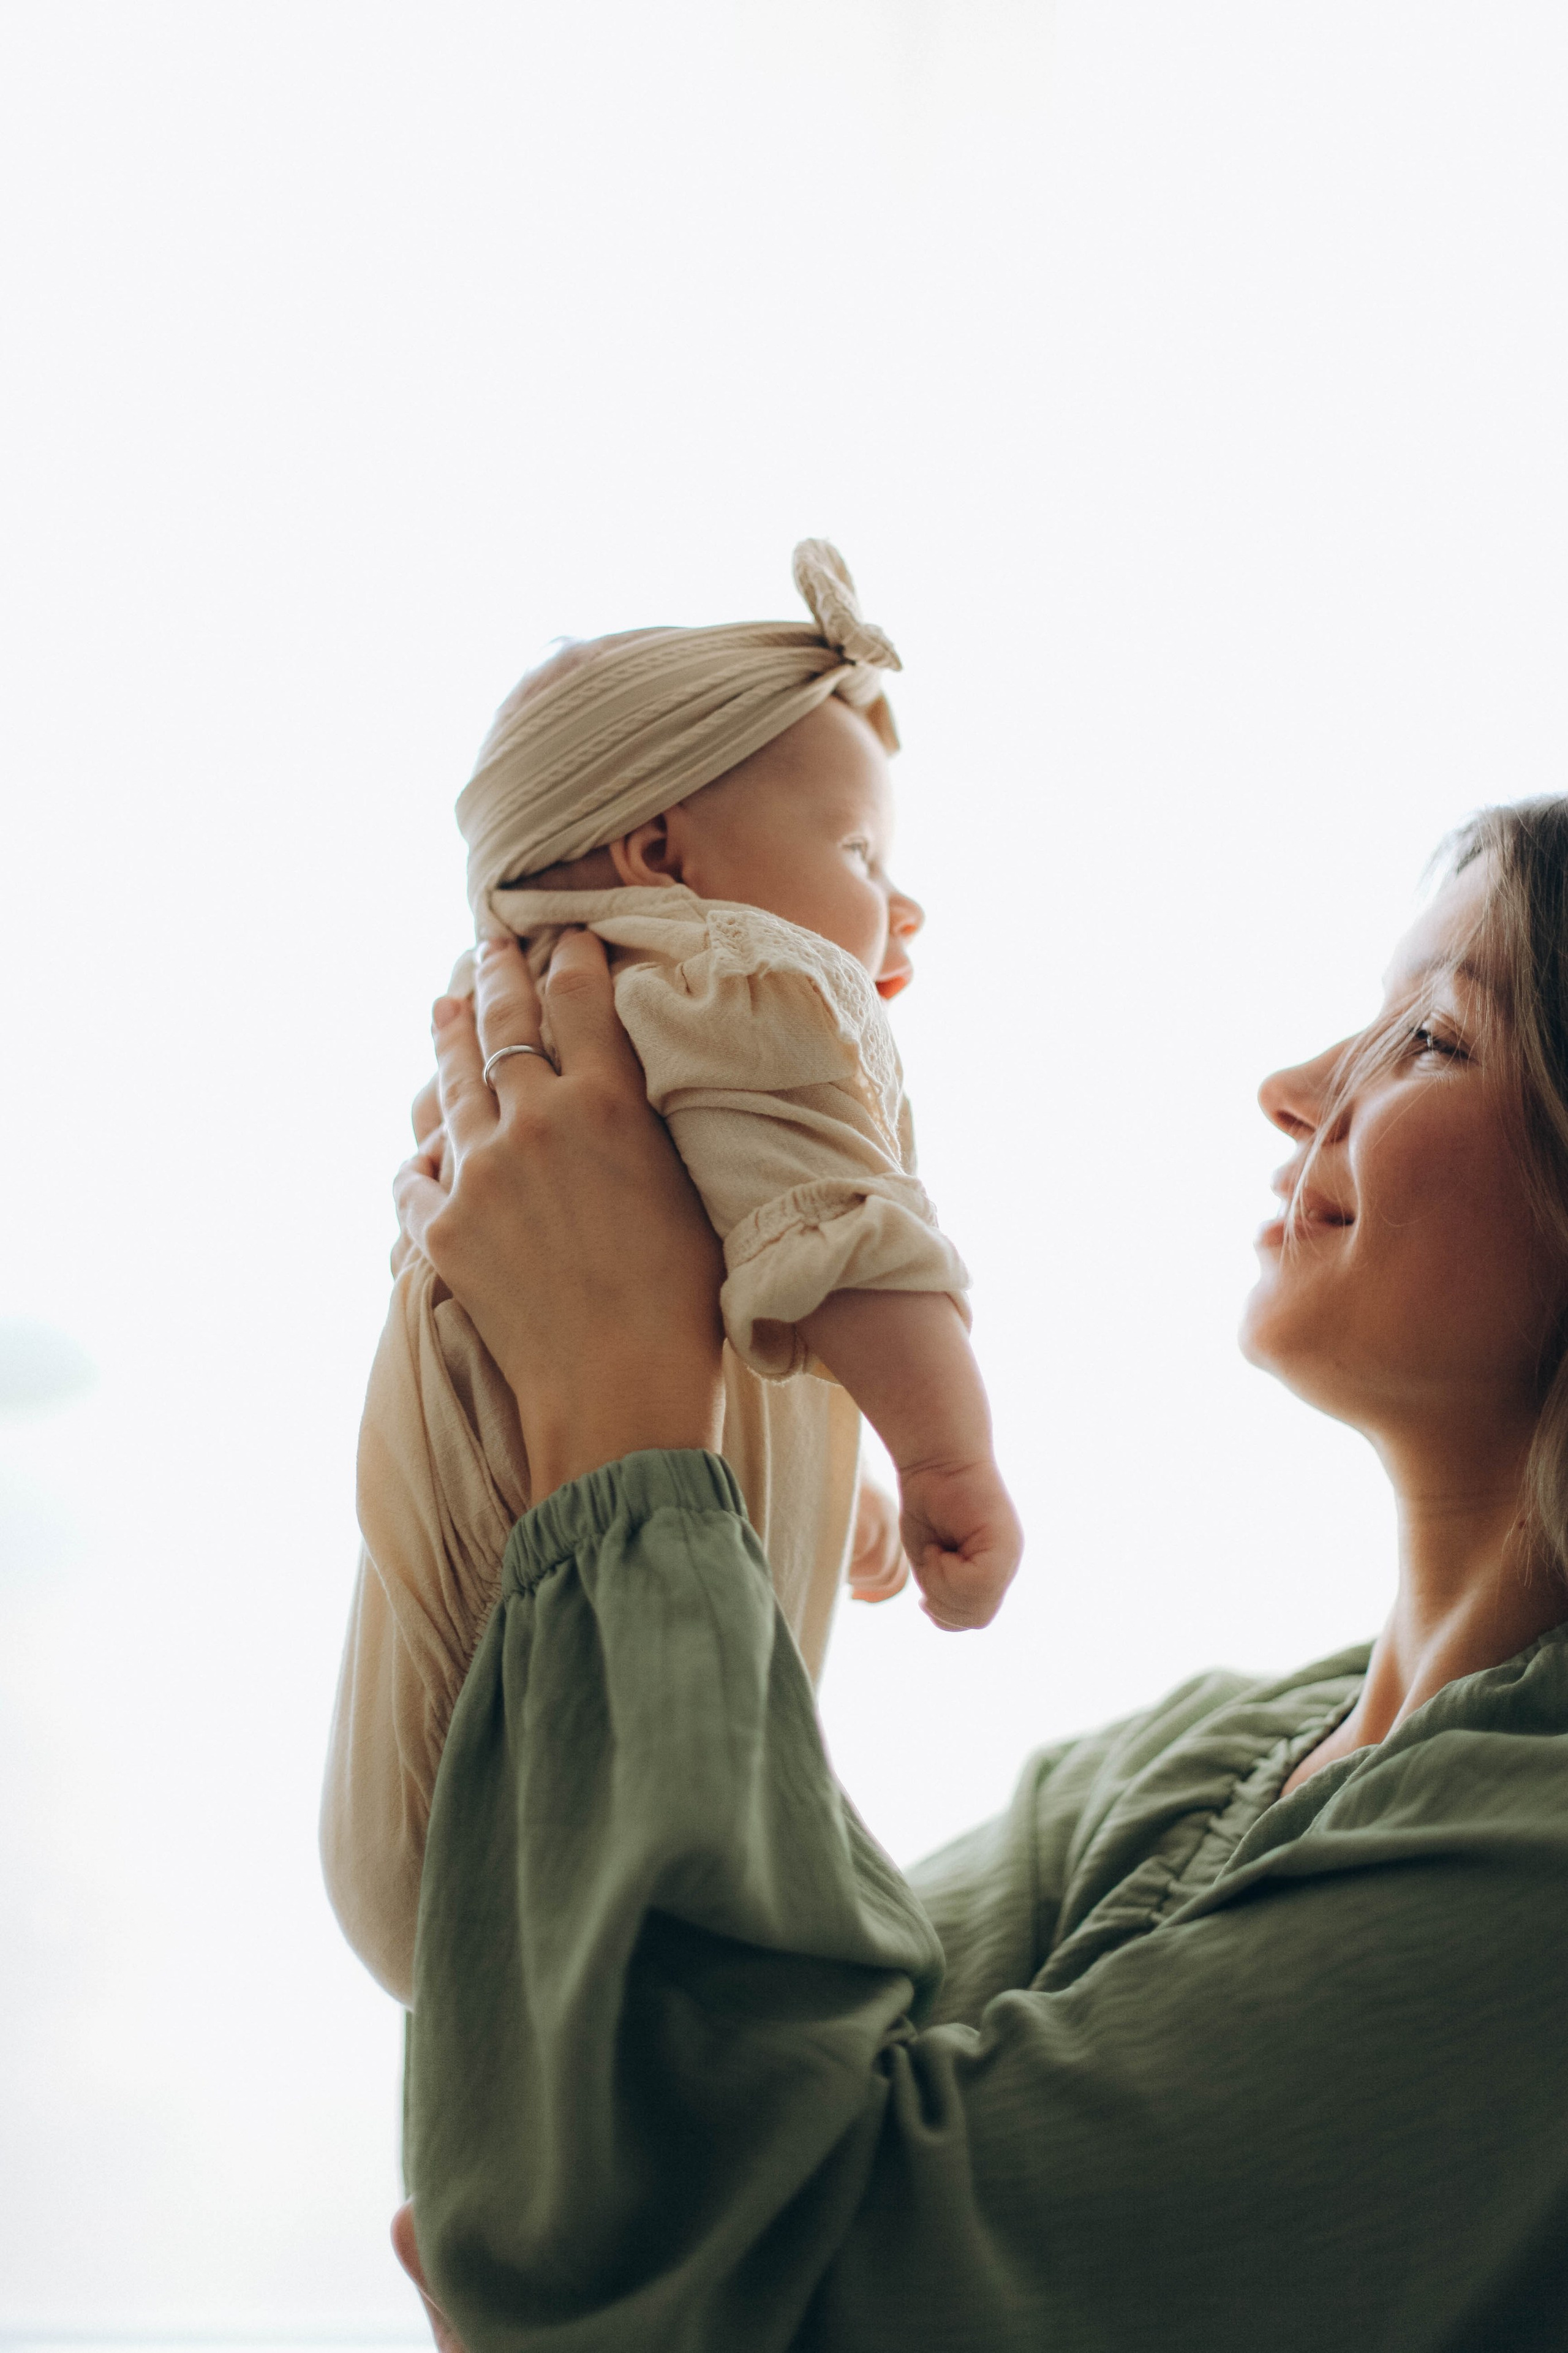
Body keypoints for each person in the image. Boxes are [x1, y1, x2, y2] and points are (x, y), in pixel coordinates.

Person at [386, 801, 1568, 2349]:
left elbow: (702, 2281)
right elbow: (579, 2179)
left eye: (1425, 1039)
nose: (1290, 1094)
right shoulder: (1196, 1758)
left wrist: (612, 1391)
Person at [320, 542, 1021, 2004]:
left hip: (415, 1788)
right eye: (861, 858)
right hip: (586, 1782)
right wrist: (945, 1458)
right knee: (665, 1993)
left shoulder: (525, 1039)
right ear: (658, 858)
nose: (898, 912)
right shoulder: (742, 974)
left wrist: (833, 1495)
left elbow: (688, 1306)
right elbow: (850, 1235)